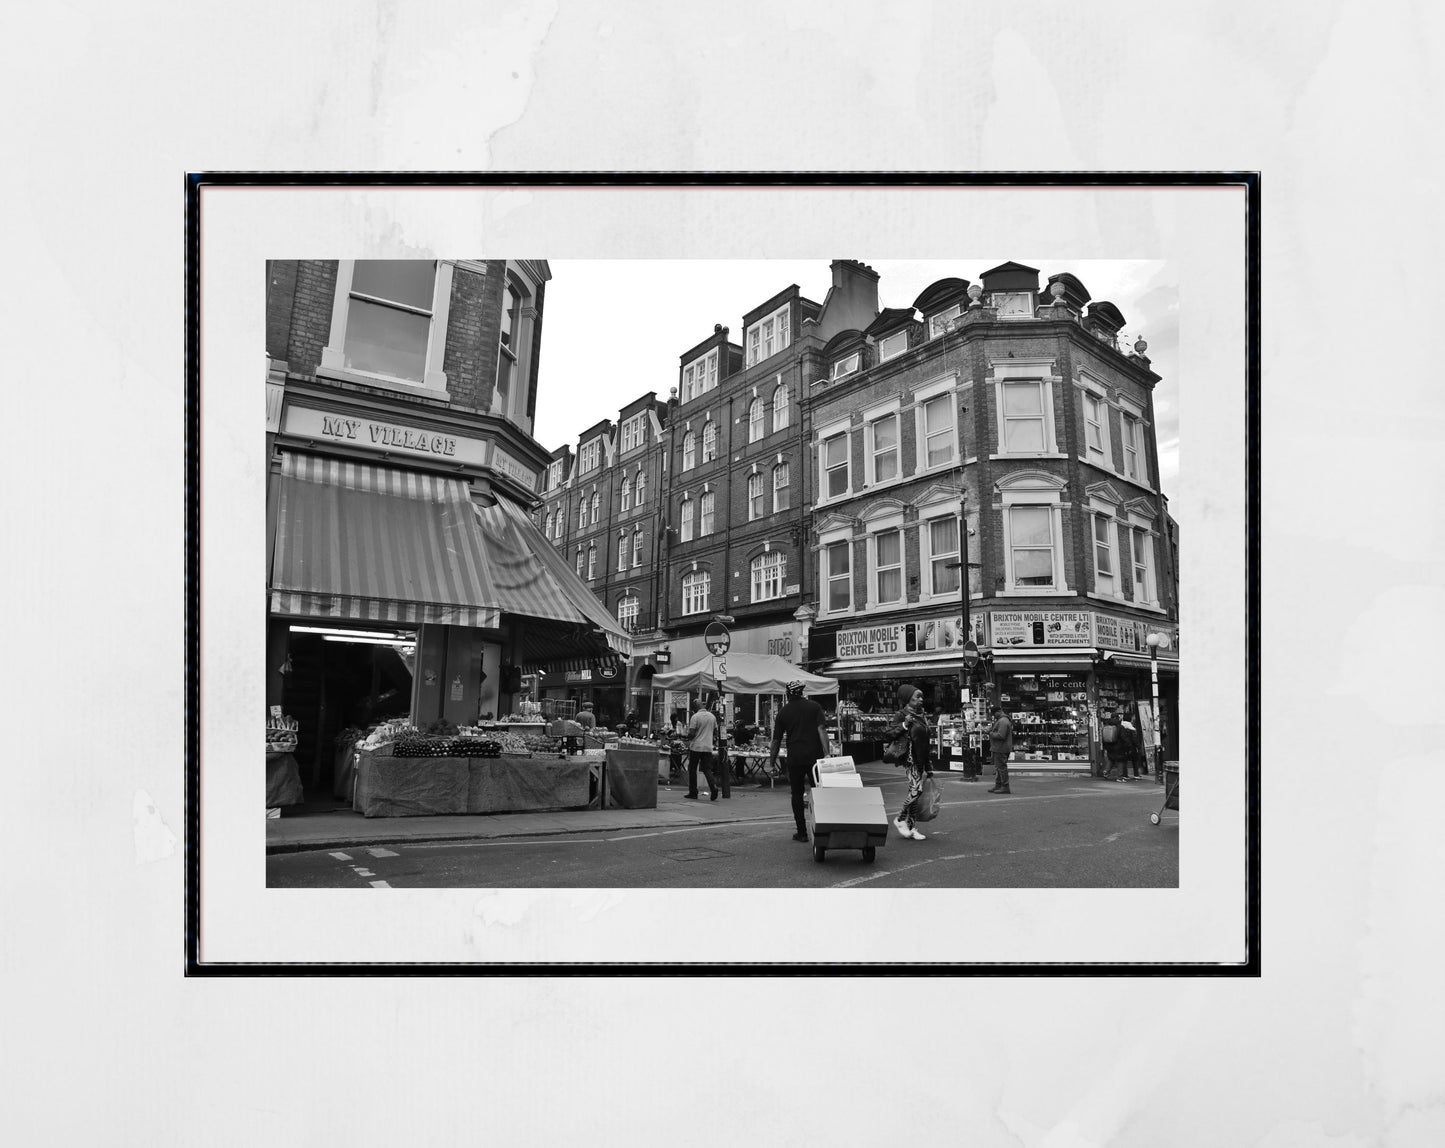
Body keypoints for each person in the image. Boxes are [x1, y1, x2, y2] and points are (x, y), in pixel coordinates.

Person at [768, 681, 829, 842]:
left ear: (788, 694)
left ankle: (801, 833)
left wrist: (772, 762)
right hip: (814, 758)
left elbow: (776, 741)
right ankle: (823, 829)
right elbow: (821, 729)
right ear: (802, 692)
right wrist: (827, 753)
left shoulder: (783, 712)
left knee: (796, 793)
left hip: (794, 758)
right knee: (819, 793)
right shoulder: (814, 707)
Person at [885, 684, 935, 839]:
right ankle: (900, 819)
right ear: (908, 698)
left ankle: (912, 827)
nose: (921, 700)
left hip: (920, 759)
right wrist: (904, 725)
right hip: (910, 759)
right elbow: (889, 734)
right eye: (917, 696)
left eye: (922, 696)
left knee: (914, 794)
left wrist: (928, 766)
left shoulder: (922, 716)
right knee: (916, 790)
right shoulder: (901, 715)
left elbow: (925, 743)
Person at [681, 698, 720, 801]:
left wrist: (686, 737)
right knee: (707, 769)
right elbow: (716, 731)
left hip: (696, 747)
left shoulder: (695, 717)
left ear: (695, 707)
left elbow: (692, 733)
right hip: (708, 747)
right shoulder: (712, 717)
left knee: (692, 769)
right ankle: (713, 787)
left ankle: (693, 792)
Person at [987, 704, 1013, 794]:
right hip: (999, 747)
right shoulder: (1002, 720)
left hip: (1001, 748)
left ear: (998, 712)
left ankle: (1005, 786)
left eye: (994, 714)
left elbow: (1001, 735)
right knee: (998, 767)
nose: (993, 716)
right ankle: (999, 785)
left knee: (1001, 767)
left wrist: (990, 733)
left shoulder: (1003, 721)